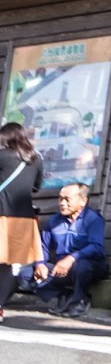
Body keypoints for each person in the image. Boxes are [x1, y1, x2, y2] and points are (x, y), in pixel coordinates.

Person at [31, 181, 106, 316]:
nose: (62, 203)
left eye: (67, 199)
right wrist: (40, 264)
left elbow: (96, 247)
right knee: (25, 272)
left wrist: (71, 258)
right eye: (60, 198)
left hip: (89, 267)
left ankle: (79, 301)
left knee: (82, 266)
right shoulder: (54, 221)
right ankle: (64, 296)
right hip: (61, 270)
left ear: (83, 201)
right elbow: (43, 247)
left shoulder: (93, 219)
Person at [0, 123, 44, 320]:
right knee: (13, 266)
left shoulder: (1, 156)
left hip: (1, 214)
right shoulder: (35, 160)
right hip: (23, 220)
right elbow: (36, 187)